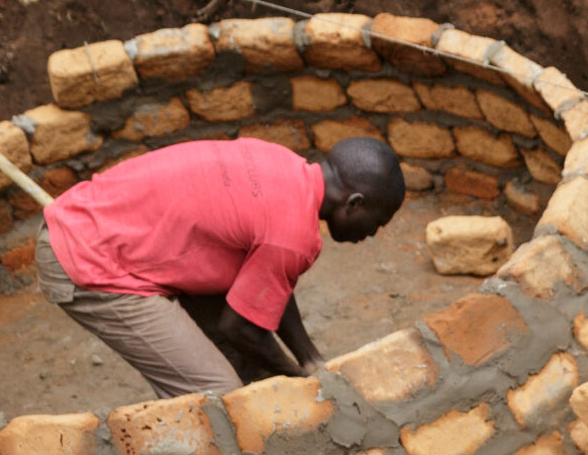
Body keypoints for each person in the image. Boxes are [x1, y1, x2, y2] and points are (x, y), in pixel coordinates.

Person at [33, 135, 406, 398]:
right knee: (216, 396)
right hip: (89, 260)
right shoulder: (294, 235)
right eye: (378, 221)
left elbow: (271, 279)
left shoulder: (284, 164)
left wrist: (311, 359)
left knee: (248, 365)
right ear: (354, 203)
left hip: (99, 222)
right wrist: (298, 379)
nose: (371, 234)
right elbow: (240, 326)